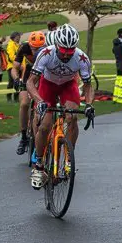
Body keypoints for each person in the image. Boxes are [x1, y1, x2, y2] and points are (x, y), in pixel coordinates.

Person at [27, 25, 95, 190]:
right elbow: (30, 82)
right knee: (44, 126)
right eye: (63, 50)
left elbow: (87, 85)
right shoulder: (45, 54)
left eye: (70, 51)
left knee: (72, 117)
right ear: (57, 45)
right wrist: (39, 101)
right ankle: (39, 164)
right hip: (47, 85)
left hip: (67, 85)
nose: (66, 54)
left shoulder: (81, 58)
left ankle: (68, 160)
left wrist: (89, 104)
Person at [13, 31, 46, 156]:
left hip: (42, 75)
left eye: (39, 48)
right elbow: (15, 67)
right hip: (28, 74)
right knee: (24, 104)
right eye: (33, 48)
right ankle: (23, 137)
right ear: (29, 45)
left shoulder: (48, 50)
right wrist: (16, 79)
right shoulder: (24, 47)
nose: (35, 51)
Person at [5, 32, 22, 102]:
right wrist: (18, 63)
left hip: (19, 66)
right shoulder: (11, 45)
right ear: (15, 37)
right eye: (18, 36)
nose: (19, 37)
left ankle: (16, 97)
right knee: (12, 82)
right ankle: (9, 97)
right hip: (12, 67)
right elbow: (11, 57)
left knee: (18, 82)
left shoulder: (18, 45)